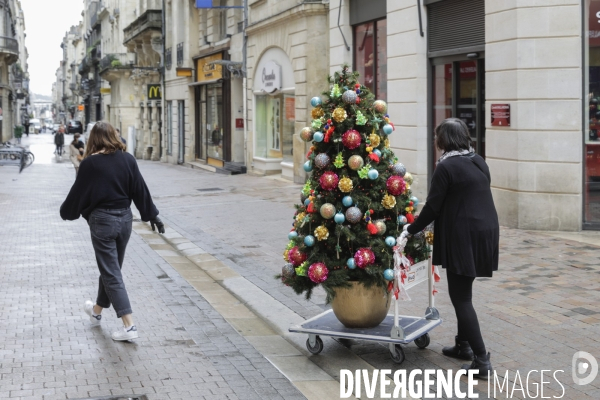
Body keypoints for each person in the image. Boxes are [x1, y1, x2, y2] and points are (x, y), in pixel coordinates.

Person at [399, 118, 499, 378]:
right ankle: (463, 346)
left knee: (461, 298)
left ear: (443, 140)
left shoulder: (446, 167)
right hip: (485, 231)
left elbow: (433, 206)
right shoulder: (478, 161)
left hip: (463, 235)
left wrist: (410, 230)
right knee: (465, 290)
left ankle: (481, 360)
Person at [60, 121, 165, 341]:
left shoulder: (90, 164)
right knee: (111, 269)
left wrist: (67, 211)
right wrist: (152, 215)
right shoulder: (127, 159)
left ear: (93, 139)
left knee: (111, 272)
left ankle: (129, 326)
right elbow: (140, 189)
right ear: (114, 136)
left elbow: (78, 193)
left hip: (102, 222)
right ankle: (96, 312)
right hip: (125, 220)